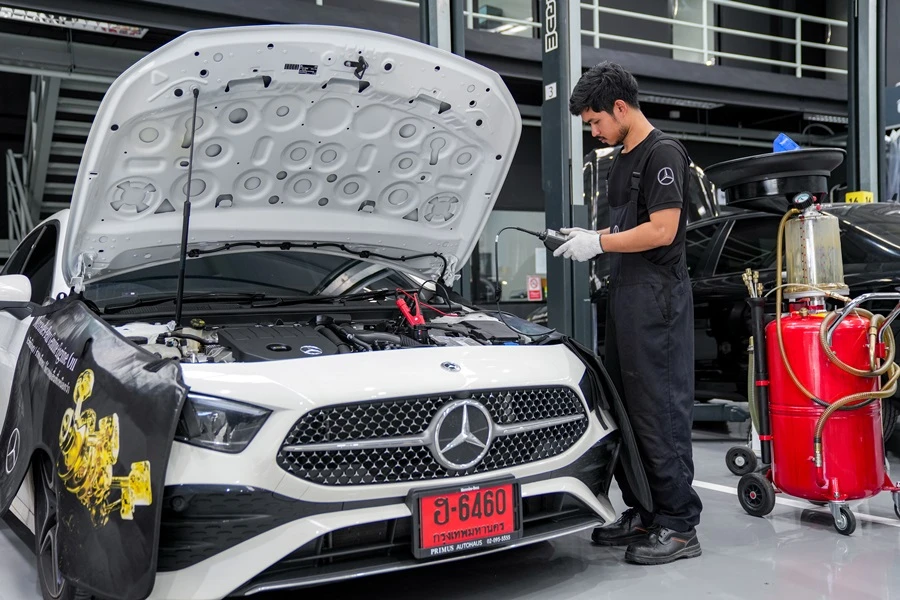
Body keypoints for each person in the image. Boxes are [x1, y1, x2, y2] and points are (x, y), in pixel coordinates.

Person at [553, 61, 703, 565]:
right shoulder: (622, 158)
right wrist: (590, 237)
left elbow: (662, 230)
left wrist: (598, 244)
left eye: (596, 121)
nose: (594, 132)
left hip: (658, 301)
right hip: (625, 298)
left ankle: (679, 524)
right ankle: (645, 511)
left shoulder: (664, 153)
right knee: (625, 408)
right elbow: (624, 230)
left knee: (659, 411)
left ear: (620, 107)